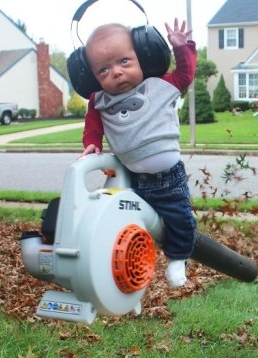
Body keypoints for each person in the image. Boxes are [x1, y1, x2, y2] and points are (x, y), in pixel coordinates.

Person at [79, 18, 197, 288]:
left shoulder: (160, 85)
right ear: (90, 76)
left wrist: (181, 48)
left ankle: (178, 258)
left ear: (143, 55)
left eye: (124, 61)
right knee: (128, 225)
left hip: (169, 178)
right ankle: (130, 274)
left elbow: (186, 74)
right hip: (132, 180)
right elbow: (92, 125)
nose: (116, 73)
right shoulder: (100, 102)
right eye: (103, 70)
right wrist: (92, 143)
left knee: (179, 219)